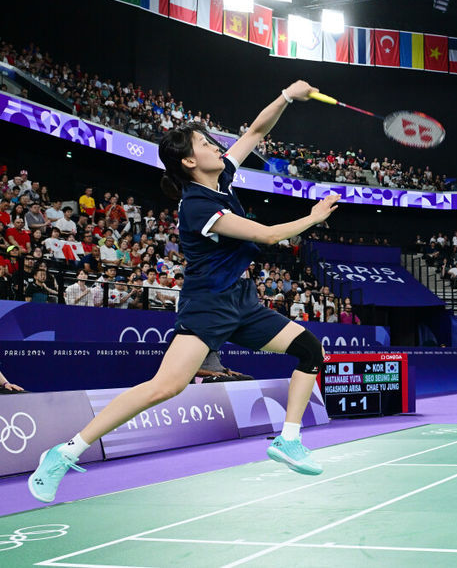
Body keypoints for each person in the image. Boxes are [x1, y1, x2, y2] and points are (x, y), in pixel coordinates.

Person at [29, 81, 341, 504]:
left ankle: (288, 440)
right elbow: (266, 236)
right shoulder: (198, 206)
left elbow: (254, 134)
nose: (217, 146)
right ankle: (65, 452)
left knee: (309, 350)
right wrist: (314, 216)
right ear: (190, 161)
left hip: (242, 300)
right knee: (164, 387)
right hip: (208, 305)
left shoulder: (222, 180)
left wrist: (286, 96)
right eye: (205, 143)